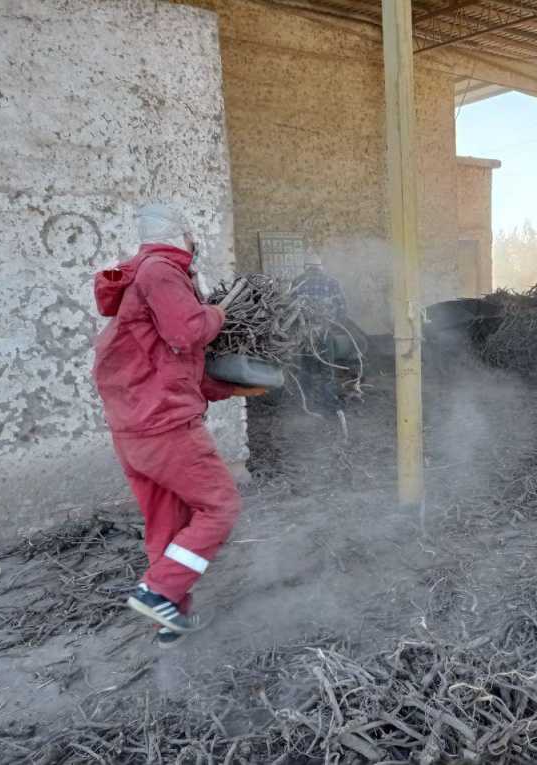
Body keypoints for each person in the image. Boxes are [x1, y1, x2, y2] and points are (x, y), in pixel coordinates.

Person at [92, 203, 265, 648]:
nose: (195, 246)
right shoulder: (161, 269)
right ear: (181, 236)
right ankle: (158, 591)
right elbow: (188, 332)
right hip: (163, 427)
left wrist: (227, 389)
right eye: (191, 237)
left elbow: (164, 360)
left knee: (166, 525)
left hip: (134, 428)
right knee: (220, 506)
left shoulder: (139, 279)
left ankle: (169, 618)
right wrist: (219, 316)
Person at [291, 255, 347, 427]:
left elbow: (290, 308)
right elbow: (342, 306)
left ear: (306, 268)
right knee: (327, 370)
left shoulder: (297, 282)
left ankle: (306, 405)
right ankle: (331, 407)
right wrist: (334, 326)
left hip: (305, 333)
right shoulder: (331, 282)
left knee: (305, 370)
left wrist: (298, 329)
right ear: (321, 267)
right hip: (324, 331)